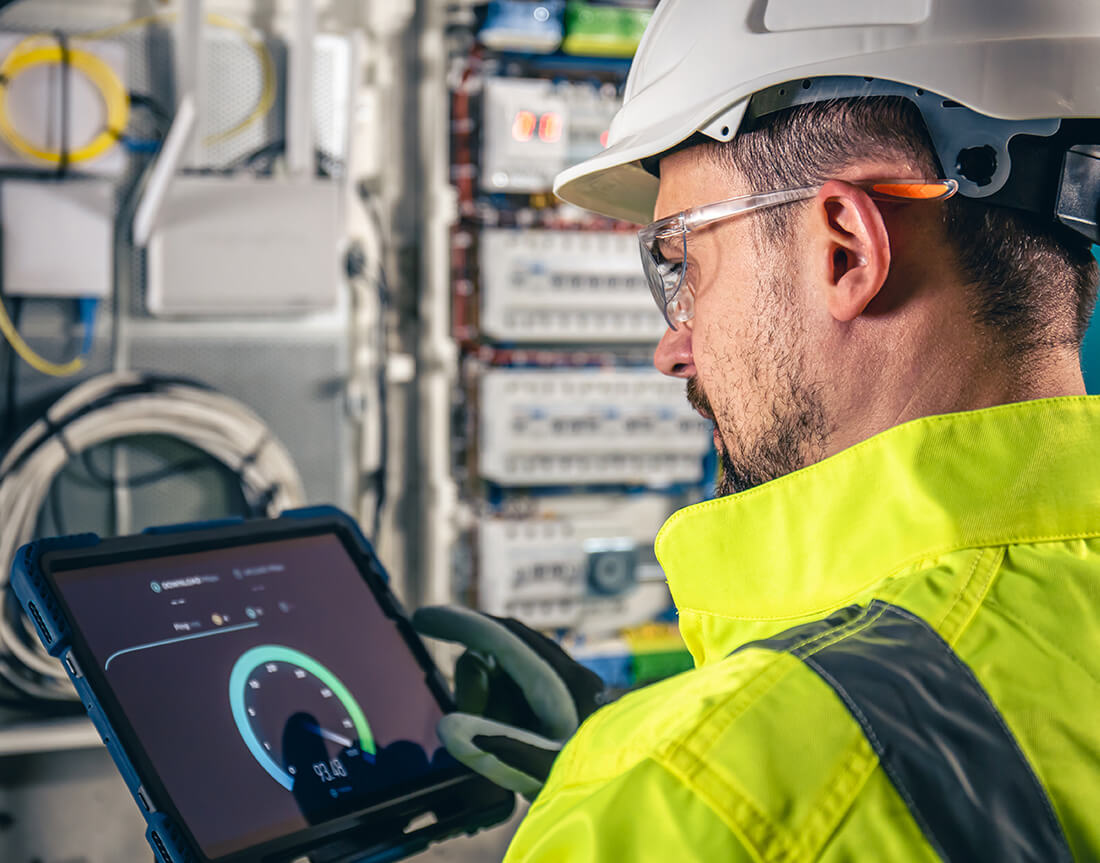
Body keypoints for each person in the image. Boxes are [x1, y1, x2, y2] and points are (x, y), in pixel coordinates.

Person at [415, 1, 1100, 859]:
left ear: (844, 248)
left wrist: (651, 787)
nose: (675, 346)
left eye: (685, 263)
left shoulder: (694, 798)